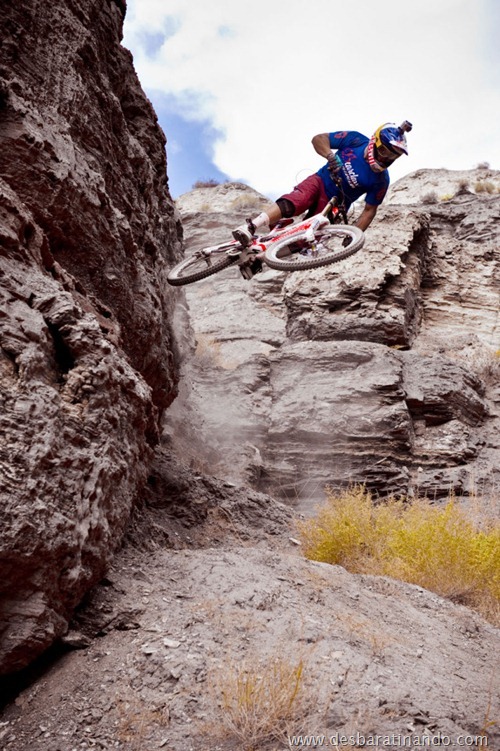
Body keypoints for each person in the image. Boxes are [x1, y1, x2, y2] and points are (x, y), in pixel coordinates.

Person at [232, 121, 412, 249]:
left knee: (305, 240)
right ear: (375, 142)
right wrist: (329, 155)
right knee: (296, 201)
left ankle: (261, 257)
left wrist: (355, 234)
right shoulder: (355, 140)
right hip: (320, 181)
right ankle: (251, 226)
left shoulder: (381, 180)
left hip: (335, 205)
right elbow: (318, 138)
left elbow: (369, 211)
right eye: (383, 151)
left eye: (392, 156)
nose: (385, 158)